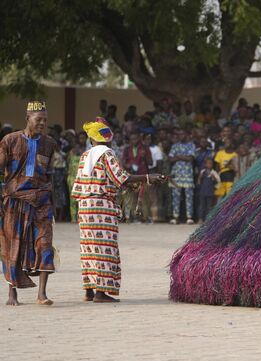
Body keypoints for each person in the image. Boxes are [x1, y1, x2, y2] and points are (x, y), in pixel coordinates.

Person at [72, 118, 166, 303]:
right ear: (108, 139)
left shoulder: (85, 156)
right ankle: (101, 293)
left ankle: (89, 291)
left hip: (85, 207)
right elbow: (121, 177)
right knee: (105, 248)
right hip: (102, 208)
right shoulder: (107, 154)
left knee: (89, 247)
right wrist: (148, 177)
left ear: (92, 139)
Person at [0, 101, 57, 306]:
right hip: (14, 201)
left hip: (41, 201)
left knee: (45, 244)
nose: (42, 123)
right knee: (13, 245)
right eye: (38, 119)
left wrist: (52, 200)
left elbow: (50, 175)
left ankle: (42, 294)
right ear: (27, 118)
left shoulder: (50, 143)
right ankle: (12, 294)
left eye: (45, 120)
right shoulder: (10, 140)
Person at [169, 130, 196, 224]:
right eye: (179, 134)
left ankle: (189, 217)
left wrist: (178, 156)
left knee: (189, 196)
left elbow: (190, 158)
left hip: (187, 174)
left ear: (186, 135)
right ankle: (175, 217)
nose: (181, 136)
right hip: (176, 174)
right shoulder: (175, 145)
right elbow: (171, 159)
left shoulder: (191, 145)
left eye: (182, 134)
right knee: (175, 196)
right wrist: (184, 157)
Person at [196, 158, 220, 223]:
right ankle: (200, 218)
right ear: (205, 164)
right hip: (202, 192)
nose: (209, 165)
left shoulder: (214, 172)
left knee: (209, 206)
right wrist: (200, 177)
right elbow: (198, 182)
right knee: (201, 206)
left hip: (210, 192)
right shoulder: (202, 172)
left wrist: (213, 178)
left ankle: (208, 219)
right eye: (208, 163)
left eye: (211, 164)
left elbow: (218, 182)